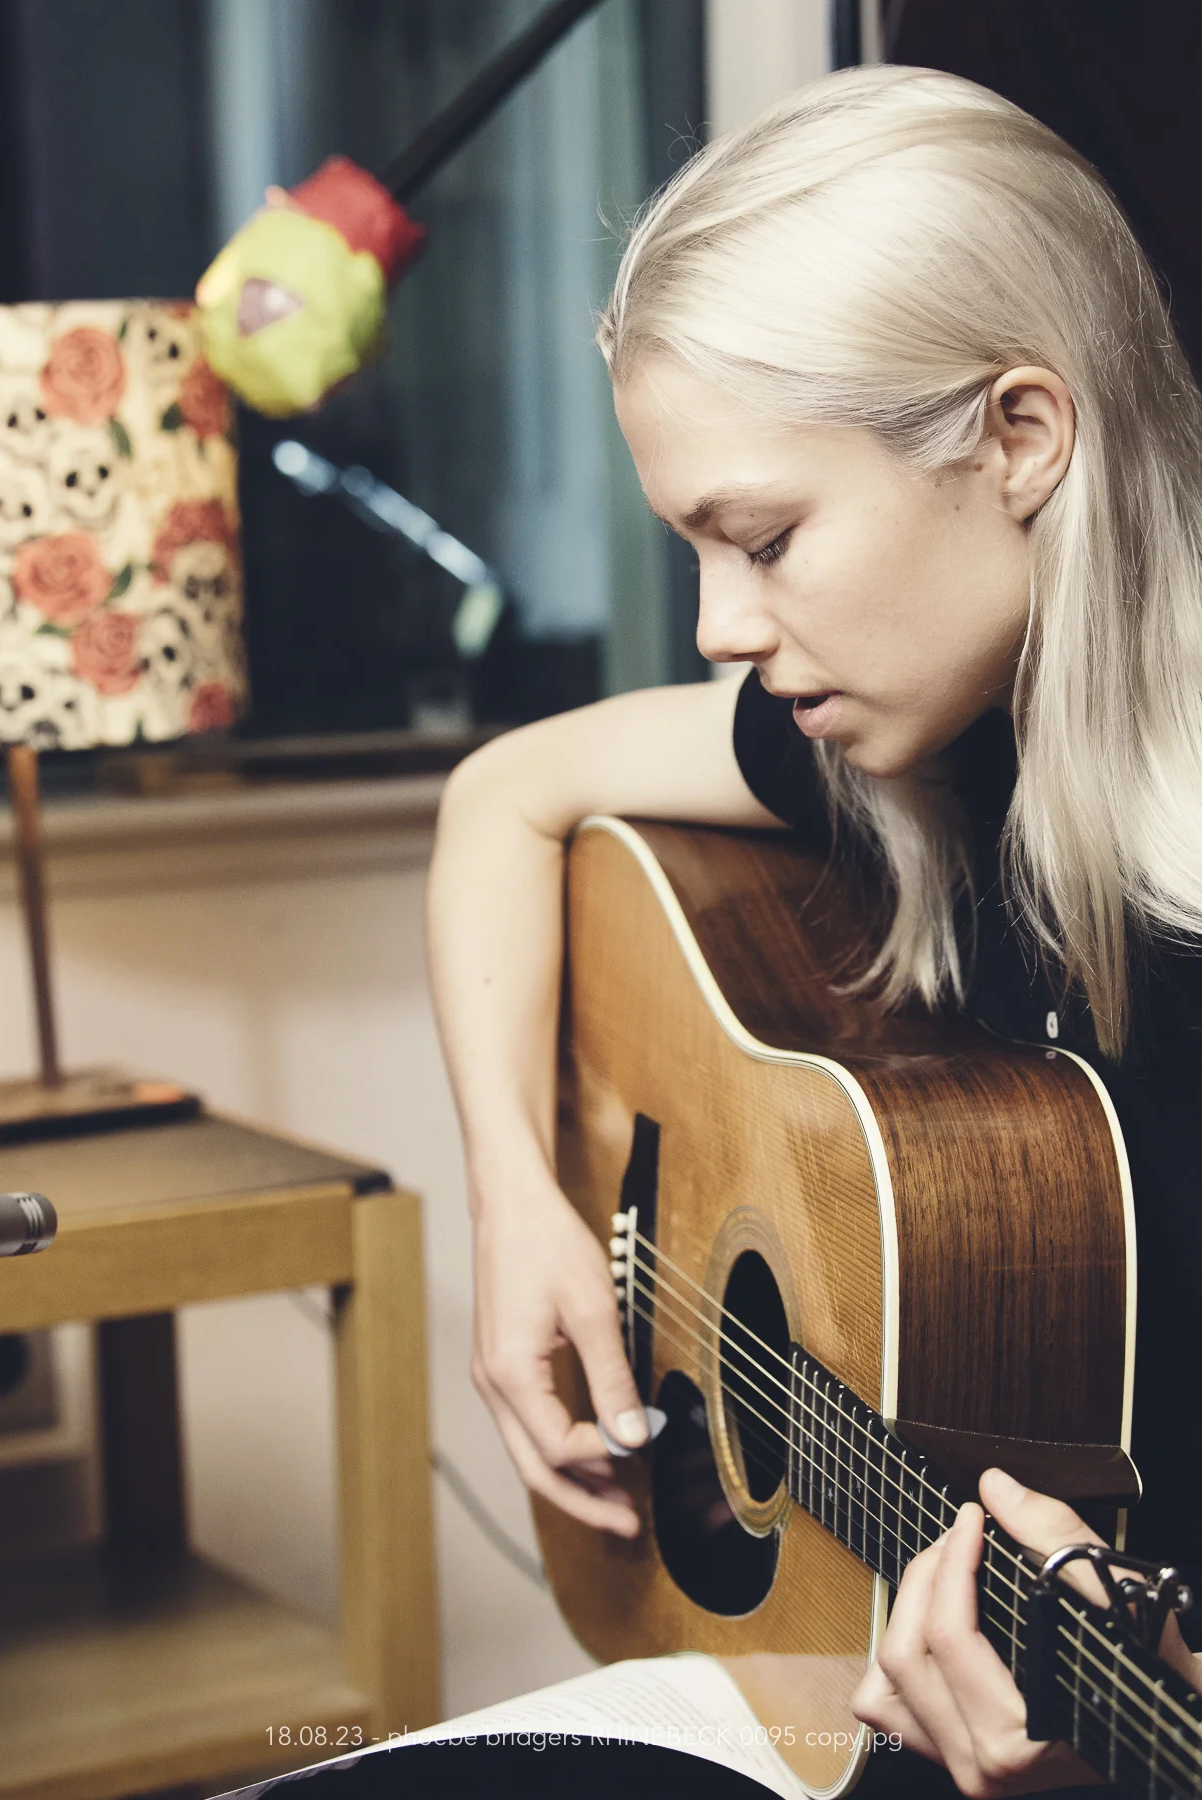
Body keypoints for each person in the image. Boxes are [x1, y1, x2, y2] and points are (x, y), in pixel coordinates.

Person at [426, 63, 1202, 1792]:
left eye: (763, 538)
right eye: (693, 548)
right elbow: (505, 795)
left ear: (1022, 436)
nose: (714, 625)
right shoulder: (934, 732)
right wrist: (522, 1204)